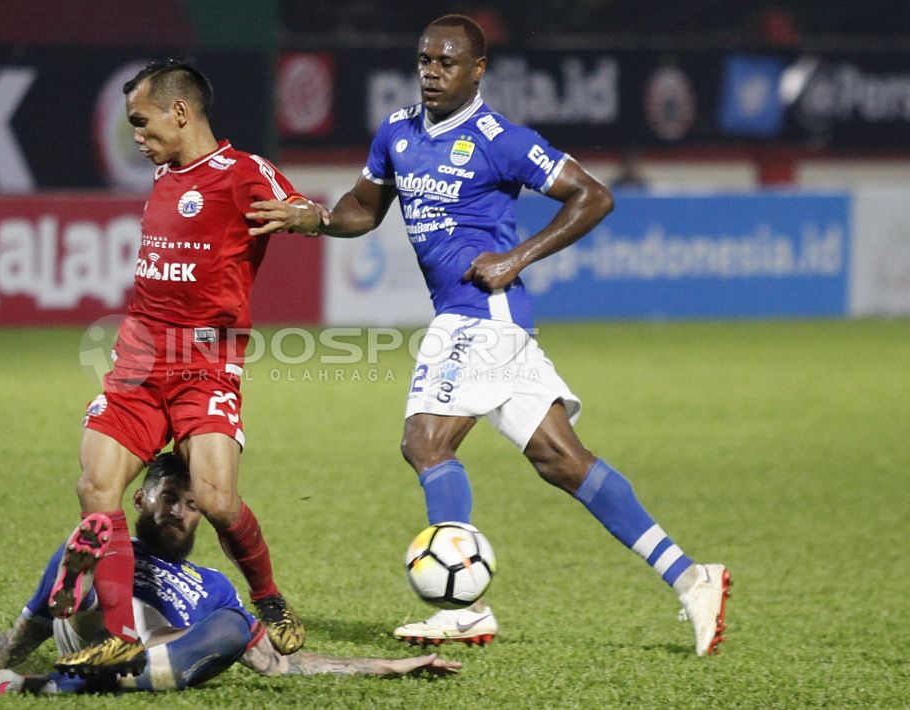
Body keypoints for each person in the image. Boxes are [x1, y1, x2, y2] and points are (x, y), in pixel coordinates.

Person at [251, 14, 731, 656]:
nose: (431, 71)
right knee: (562, 459)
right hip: (488, 324)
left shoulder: (499, 138)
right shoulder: (397, 131)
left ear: (477, 70)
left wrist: (517, 258)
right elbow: (363, 211)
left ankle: (463, 607)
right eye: (424, 59)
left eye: (447, 62)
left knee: (426, 441)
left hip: (480, 315)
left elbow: (593, 196)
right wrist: (311, 218)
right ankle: (693, 578)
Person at [48, 58, 325, 676]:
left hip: (205, 362)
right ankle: (118, 631)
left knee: (217, 499)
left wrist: (306, 215)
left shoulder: (241, 171)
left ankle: (269, 600)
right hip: (140, 358)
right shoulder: (166, 175)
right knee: (95, 488)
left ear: (180, 111)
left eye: (142, 123)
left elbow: (305, 209)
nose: (136, 137)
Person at [0, 454, 460, 694]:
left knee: (230, 623)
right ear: (143, 498)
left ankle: (67, 676)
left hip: (157, 652)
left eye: (192, 503)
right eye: (168, 496)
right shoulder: (120, 540)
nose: (179, 510)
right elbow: (9, 642)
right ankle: (70, 643)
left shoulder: (212, 582)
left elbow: (280, 663)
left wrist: (389, 664)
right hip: (94, 618)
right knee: (91, 546)